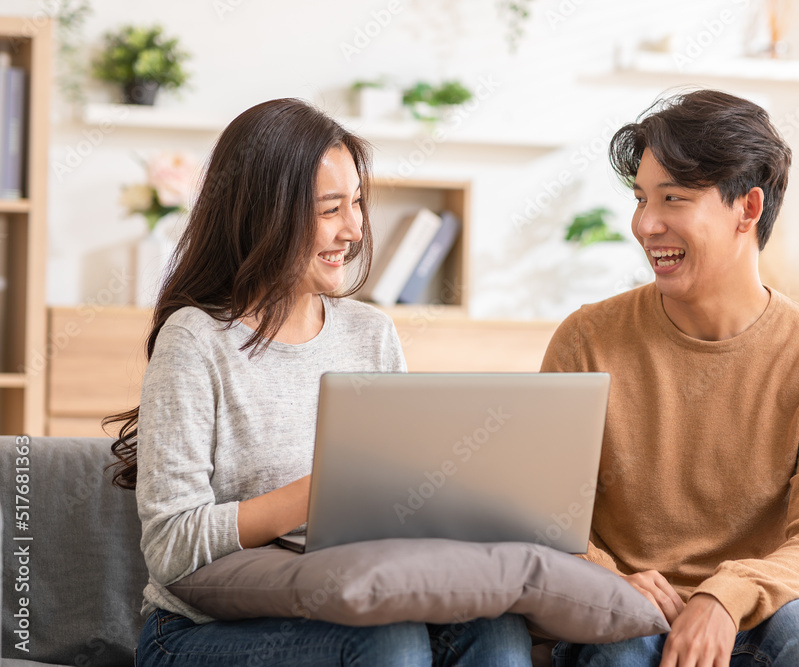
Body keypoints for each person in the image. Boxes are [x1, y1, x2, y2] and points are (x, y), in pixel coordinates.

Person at [105, 98, 532, 667]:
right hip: (198, 631)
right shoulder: (196, 340)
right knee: (390, 644)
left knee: (498, 631)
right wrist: (325, 490)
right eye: (331, 208)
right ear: (264, 213)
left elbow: (398, 503)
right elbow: (171, 547)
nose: (354, 230)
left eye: (356, 204)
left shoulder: (370, 334)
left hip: (347, 600)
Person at [541, 89, 799, 667]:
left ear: (747, 208)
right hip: (626, 612)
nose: (646, 225)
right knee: (620, 642)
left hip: (763, 615)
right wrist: (608, 580)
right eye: (642, 199)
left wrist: (726, 596)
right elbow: (543, 514)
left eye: (673, 199)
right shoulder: (586, 340)